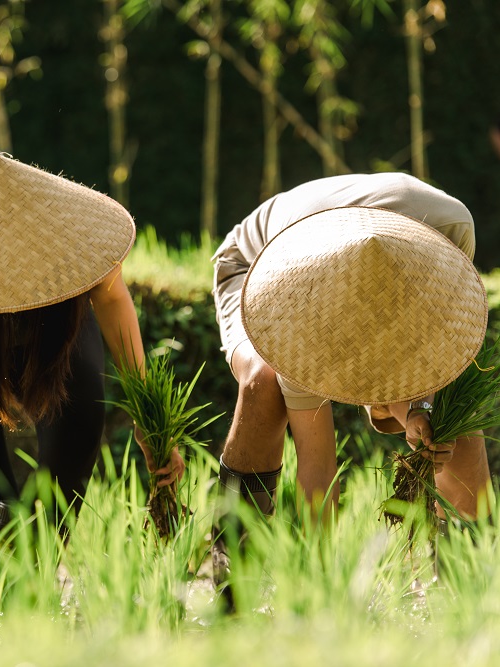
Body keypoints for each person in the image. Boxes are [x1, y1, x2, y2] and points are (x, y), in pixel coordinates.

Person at [210, 172, 490, 584]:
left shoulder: (451, 229)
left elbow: (431, 346)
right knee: (263, 382)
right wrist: (321, 588)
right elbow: (318, 467)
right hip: (256, 266)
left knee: (454, 426)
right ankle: (233, 581)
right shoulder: (294, 313)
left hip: (390, 257)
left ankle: (468, 588)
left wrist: (419, 410)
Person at [0, 153, 182, 544]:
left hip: (60, 338)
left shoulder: (76, 252)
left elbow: (113, 302)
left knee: (43, 537)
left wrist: (150, 424)